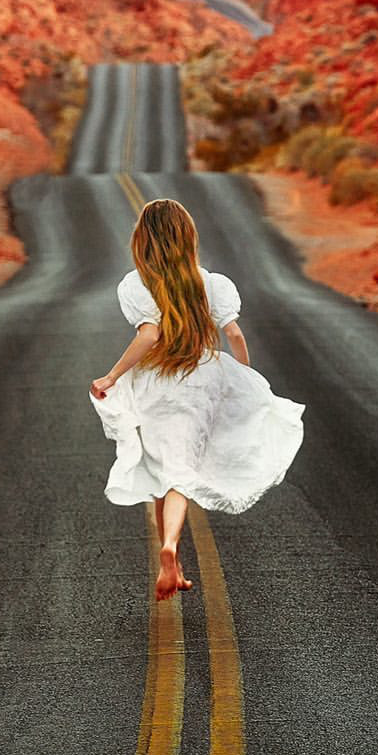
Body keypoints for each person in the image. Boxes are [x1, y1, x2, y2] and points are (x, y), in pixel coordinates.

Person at [89, 198, 305, 601]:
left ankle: (170, 560)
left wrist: (113, 375)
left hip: (155, 383)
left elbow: (150, 334)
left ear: (143, 241)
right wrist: (244, 374)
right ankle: (171, 548)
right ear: (188, 238)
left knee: (164, 472)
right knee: (179, 474)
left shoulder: (136, 285)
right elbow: (235, 335)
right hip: (200, 382)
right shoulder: (211, 284)